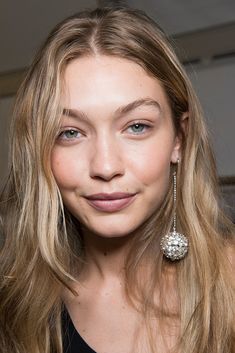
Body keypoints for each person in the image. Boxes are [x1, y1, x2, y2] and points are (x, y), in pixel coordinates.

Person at [0, 6, 234, 353]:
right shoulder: (16, 299)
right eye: (70, 132)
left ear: (179, 140)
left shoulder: (229, 283)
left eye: (136, 127)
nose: (106, 166)